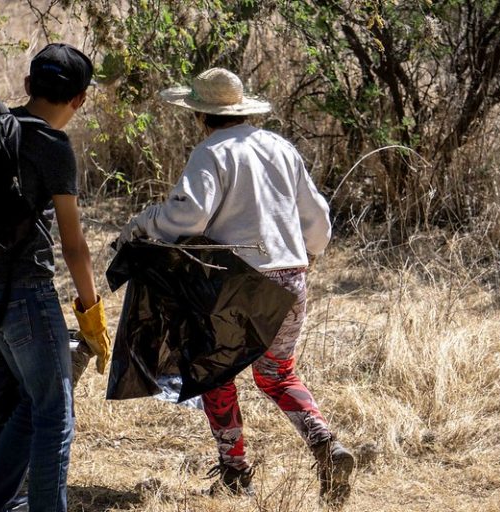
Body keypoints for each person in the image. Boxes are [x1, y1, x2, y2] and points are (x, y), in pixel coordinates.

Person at [117, 67, 355, 504]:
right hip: (290, 276)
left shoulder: (211, 152)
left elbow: (187, 217)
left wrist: (145, 223)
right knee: (278, 372)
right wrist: (308, 258)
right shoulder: (280, 147)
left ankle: (236, 471)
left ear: (200, 116)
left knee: (213, 373)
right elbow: (318, 218)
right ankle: (325, 444)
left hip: (233, 283)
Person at [0, 43, 112, 512]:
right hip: (24, 294)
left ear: (27, 86)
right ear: (80, 100)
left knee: (33, 400)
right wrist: (92, 312)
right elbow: (74, 246)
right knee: (57, 413)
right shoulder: (52, 145)